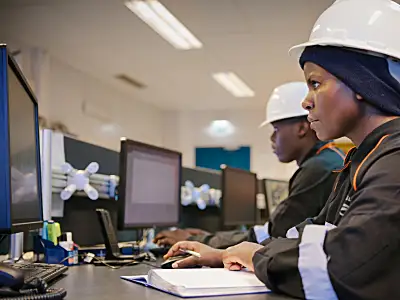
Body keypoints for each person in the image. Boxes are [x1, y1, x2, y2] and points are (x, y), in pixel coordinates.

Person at [165, 0, 400, 299]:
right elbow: (311, 233)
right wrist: (229, 252)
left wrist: (255, 256)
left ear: (362, 81)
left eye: (315, 83)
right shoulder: (366, 156)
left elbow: (342, 267)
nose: (306, 102)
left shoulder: (394, 159)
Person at [155, 82, 344, 248]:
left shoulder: (317, 169)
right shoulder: (329, 159)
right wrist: (206, 238)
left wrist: (201, 241)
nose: (272, 138)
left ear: (302, 128)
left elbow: (274, 234)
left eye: (276, 130)